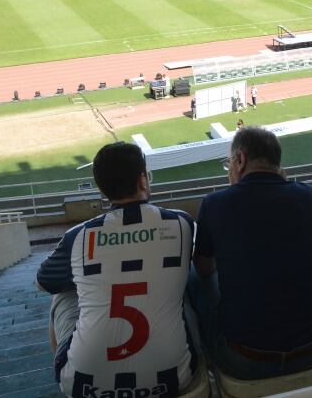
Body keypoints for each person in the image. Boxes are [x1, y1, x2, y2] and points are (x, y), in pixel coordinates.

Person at [37, 142, 198, 396]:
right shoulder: (181, 223)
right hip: (174, 377)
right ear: (143, 180)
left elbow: (43, 282)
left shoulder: (77, 236)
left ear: (103, 189)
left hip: (82, 385)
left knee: (60, 292)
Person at [193, 127, 312, 380]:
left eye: (230, 163)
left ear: (240, 159)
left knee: (194, 279)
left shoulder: (215, 204)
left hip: (244, 358)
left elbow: (204, 268)